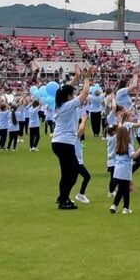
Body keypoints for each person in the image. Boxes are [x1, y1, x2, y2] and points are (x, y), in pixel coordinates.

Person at [50, 78, 89, 210]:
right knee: (72, 173)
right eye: (71, 94)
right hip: (64, 143)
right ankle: (63, 199)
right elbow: (84, 95)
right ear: (68, 97)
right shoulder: (68, 106)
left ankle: (63, 197)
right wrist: (87, 78)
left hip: (59, 142)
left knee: (67, 172)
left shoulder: (59, 105)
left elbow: (64, 90)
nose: (73, 96)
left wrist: (76, 78)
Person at [110, 123, 135, 214]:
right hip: (125, 170)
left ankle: (114, 205)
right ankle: (126, 207)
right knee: (126, 189)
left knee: (121, 188)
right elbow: (133, 156)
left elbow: (111, 156)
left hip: (117, 171)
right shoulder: (128, 146)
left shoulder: (117, 145)